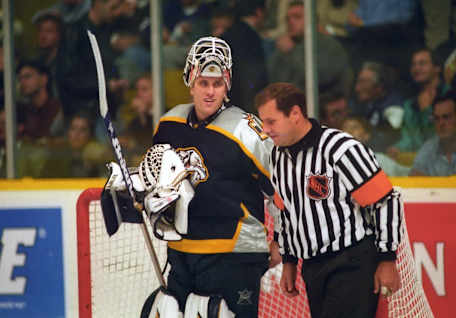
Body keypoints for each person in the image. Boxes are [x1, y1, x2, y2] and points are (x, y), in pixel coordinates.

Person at [139, 36, 276, 317]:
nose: (211, 92)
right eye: (204, 82)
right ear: (190, 81)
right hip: (182, 251)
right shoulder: (169, 124)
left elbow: (282, 189)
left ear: (228, 85)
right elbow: (156, 178)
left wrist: (283, 243)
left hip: (235, 254)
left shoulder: (246, 130)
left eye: (218, 83)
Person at [255, 82, 402, 318]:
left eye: (271, 121)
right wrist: (290, 260)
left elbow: (385, 201)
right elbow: (285, 212)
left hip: (351, 262)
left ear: (295, 114)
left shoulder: (340, 148)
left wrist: (387, 259)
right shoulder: (277, 155)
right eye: (263, 121)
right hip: (312, 267)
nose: (265, 129)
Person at [410, 92, 456, 176]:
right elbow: (415, 178)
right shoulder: (429, 147)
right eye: (436, 118)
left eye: (446, 117)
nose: (441, 123)